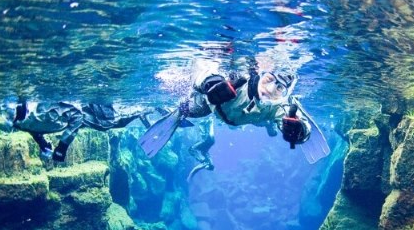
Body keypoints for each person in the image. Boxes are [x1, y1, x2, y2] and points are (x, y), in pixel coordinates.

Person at [141, 57, 329, 179]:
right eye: (269, 80)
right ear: (259, 74)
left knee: (273, 119)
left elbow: (298, 122)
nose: (270, 90)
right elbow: (204, 65)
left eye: (280, 88)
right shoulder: (238, 78)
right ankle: (151, 111)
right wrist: (209, 82)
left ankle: (269, 125)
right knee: (189, 107)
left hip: (252, 117)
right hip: (213, 105)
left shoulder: (281, 106)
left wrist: (300, 132)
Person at [0, 100, 157, 162]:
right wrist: (42, 144)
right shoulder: (20, 124)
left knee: (107, 123)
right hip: (75, 119)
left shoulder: (40, 110)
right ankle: (142, 112)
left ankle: (145, 109)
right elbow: (33, 129)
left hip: (86, 109)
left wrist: (62, 146)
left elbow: (77, 114)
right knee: (109, 124)